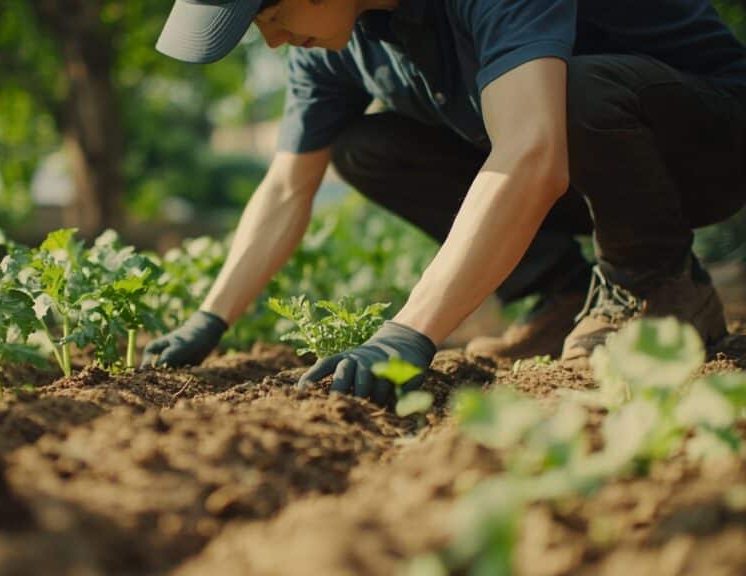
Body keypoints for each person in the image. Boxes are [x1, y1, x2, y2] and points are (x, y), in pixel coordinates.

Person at [142, 0, 746, 408]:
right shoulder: (336, 41)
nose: (270, 41)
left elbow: (533, 154)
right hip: (578, 171)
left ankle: (656, 283)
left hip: (707, 145)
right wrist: (210, 318)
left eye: (270, 14)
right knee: (364, 147)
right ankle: (562, 295)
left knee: (568, 91)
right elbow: (286, 187)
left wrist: (406, 332)